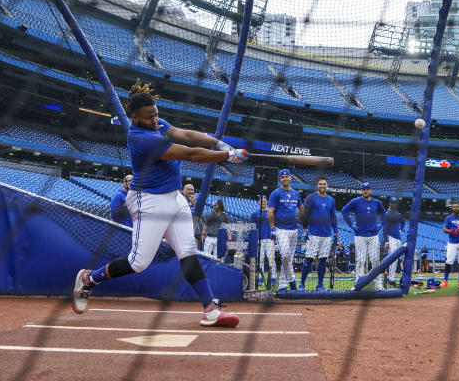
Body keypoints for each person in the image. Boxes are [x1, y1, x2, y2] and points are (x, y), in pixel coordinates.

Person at [71, 80, 247, 327]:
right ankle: (90, 278)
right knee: (138, 263)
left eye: (156, 114)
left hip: (175, 199)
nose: (155, 120)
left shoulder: (156, 123)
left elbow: (184, 134)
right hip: (149, 202)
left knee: (188, 251)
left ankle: (210, 309)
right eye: (149, 117)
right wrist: (227, 156)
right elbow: (189, 153)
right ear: (135, 117)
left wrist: (218, 143)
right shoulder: (141, 138)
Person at [341, 182, 387, 291]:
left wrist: (380, 225)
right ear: (361, 191)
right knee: (360, 261)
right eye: (363, 189)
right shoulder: (356, 201)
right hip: (360, 236)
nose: (365, 191)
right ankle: (358, 285)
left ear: (370, 190)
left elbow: (384, 213)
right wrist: (352, 225)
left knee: (375, 261)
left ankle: (378, 285)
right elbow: (344, 211)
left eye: (367, 189)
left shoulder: (376, 202)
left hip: (373, 236)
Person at [267, 168, 303, 291]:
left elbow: (302, 208)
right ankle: (292, 281)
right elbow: (270, 211)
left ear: (290, 178)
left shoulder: (296, 194)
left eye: (287, 176)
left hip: (294, 230)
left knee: (288, 259)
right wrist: (272, 228)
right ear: (280, 179)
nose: (285, 178)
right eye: (282, 177)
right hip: (281, 229)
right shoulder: (276, 193)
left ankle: (283, 285)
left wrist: (299, 219)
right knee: (286, 256)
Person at [300, 176, 337, 291]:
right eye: (320, 184)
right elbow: (305, 215)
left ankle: (320, 285)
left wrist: (335, 231)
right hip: (314, 234)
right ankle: (302, 284)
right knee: (309, 259)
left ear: (327, 185)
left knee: (323, 260)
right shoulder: (311, 198)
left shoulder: (331, 200)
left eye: (324, 184)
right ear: (317, 185)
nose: (322, 186)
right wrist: (305, 230)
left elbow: (333, 217)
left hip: (326, 235)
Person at [441, 200, 459, 288]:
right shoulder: (448, 218)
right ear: (452, 208)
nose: (456, 208)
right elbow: (444, 229)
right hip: (452, 243)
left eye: (457, 206)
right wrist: (450, 231)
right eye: (454, 207)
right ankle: (445, 281)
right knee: (449, 261)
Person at [249, 195, 276, 287]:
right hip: (259, 239)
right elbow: (252, 227)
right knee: (260, 260)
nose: (263, 202)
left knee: (271, 259)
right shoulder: (254, 214)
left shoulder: (271, 212)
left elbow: (275, 225)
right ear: (258, 202)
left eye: (265, 201)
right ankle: (260, 278)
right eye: (261, 201)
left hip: (269, 239)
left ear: (267, 202)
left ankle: (273, 278)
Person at [382, 198, 404, 286]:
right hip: (391, 238)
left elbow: (403, 223)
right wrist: (387, 241)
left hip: (398, 239)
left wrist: (401, 230)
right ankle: (391, 280)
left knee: (395, 259)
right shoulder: (386, 214)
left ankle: (391, 278)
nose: (393, 204)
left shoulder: (398, 215)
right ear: (389, 203)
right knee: (393, 259)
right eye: (392, 202)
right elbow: (384, 230)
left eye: (395, 203)